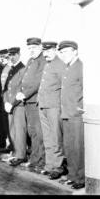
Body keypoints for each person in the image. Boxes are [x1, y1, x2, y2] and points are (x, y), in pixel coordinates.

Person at [14, 37, 46, 172]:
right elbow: (24, 79)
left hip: (35, 100)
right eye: (29, 48)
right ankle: (34, 159)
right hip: (27, 101)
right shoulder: (30, 61)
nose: (31, 50)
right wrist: (20, 92)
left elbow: (37, 81)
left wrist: (25, 93)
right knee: (32, 131)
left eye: (34, 48)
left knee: (38, 132)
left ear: (40, 47)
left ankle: (40, 161)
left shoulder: (42, 61)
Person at [37, 41, 68, 180]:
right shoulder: (47, 64)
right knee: (47, 137)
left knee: (56, 138)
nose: (46, 54)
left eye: (48, 51)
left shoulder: (60, 65)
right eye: (44, 51)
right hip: (43, 105)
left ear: (55, 50)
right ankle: (49, 165)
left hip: (54, 106)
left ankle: (58, 166)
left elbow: (65, 88)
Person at [58, 40, 85, 190]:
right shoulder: (67, 68)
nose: (63, 55)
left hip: (76, 114)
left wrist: (81, 108)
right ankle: (72, 175)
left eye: (66, 51)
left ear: (75, 51)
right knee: (69, 147)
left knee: (78, 147)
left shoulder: (80, 67)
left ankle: (80, 178)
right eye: (61, 52)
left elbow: (87, 89)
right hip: (66, 113)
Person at [2, 47, 27, 165]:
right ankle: (15, 153)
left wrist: (11, 103)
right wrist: (6, 101)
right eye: (10, 55)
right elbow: (7, 88)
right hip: (10, 105)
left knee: (19, 131)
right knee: (12, 130)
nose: (11, 57)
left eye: (14, 55)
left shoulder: (22, 68)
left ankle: (21, 155)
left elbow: (21, 88)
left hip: (18, 105)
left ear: (19, 55)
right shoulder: (12, 69)